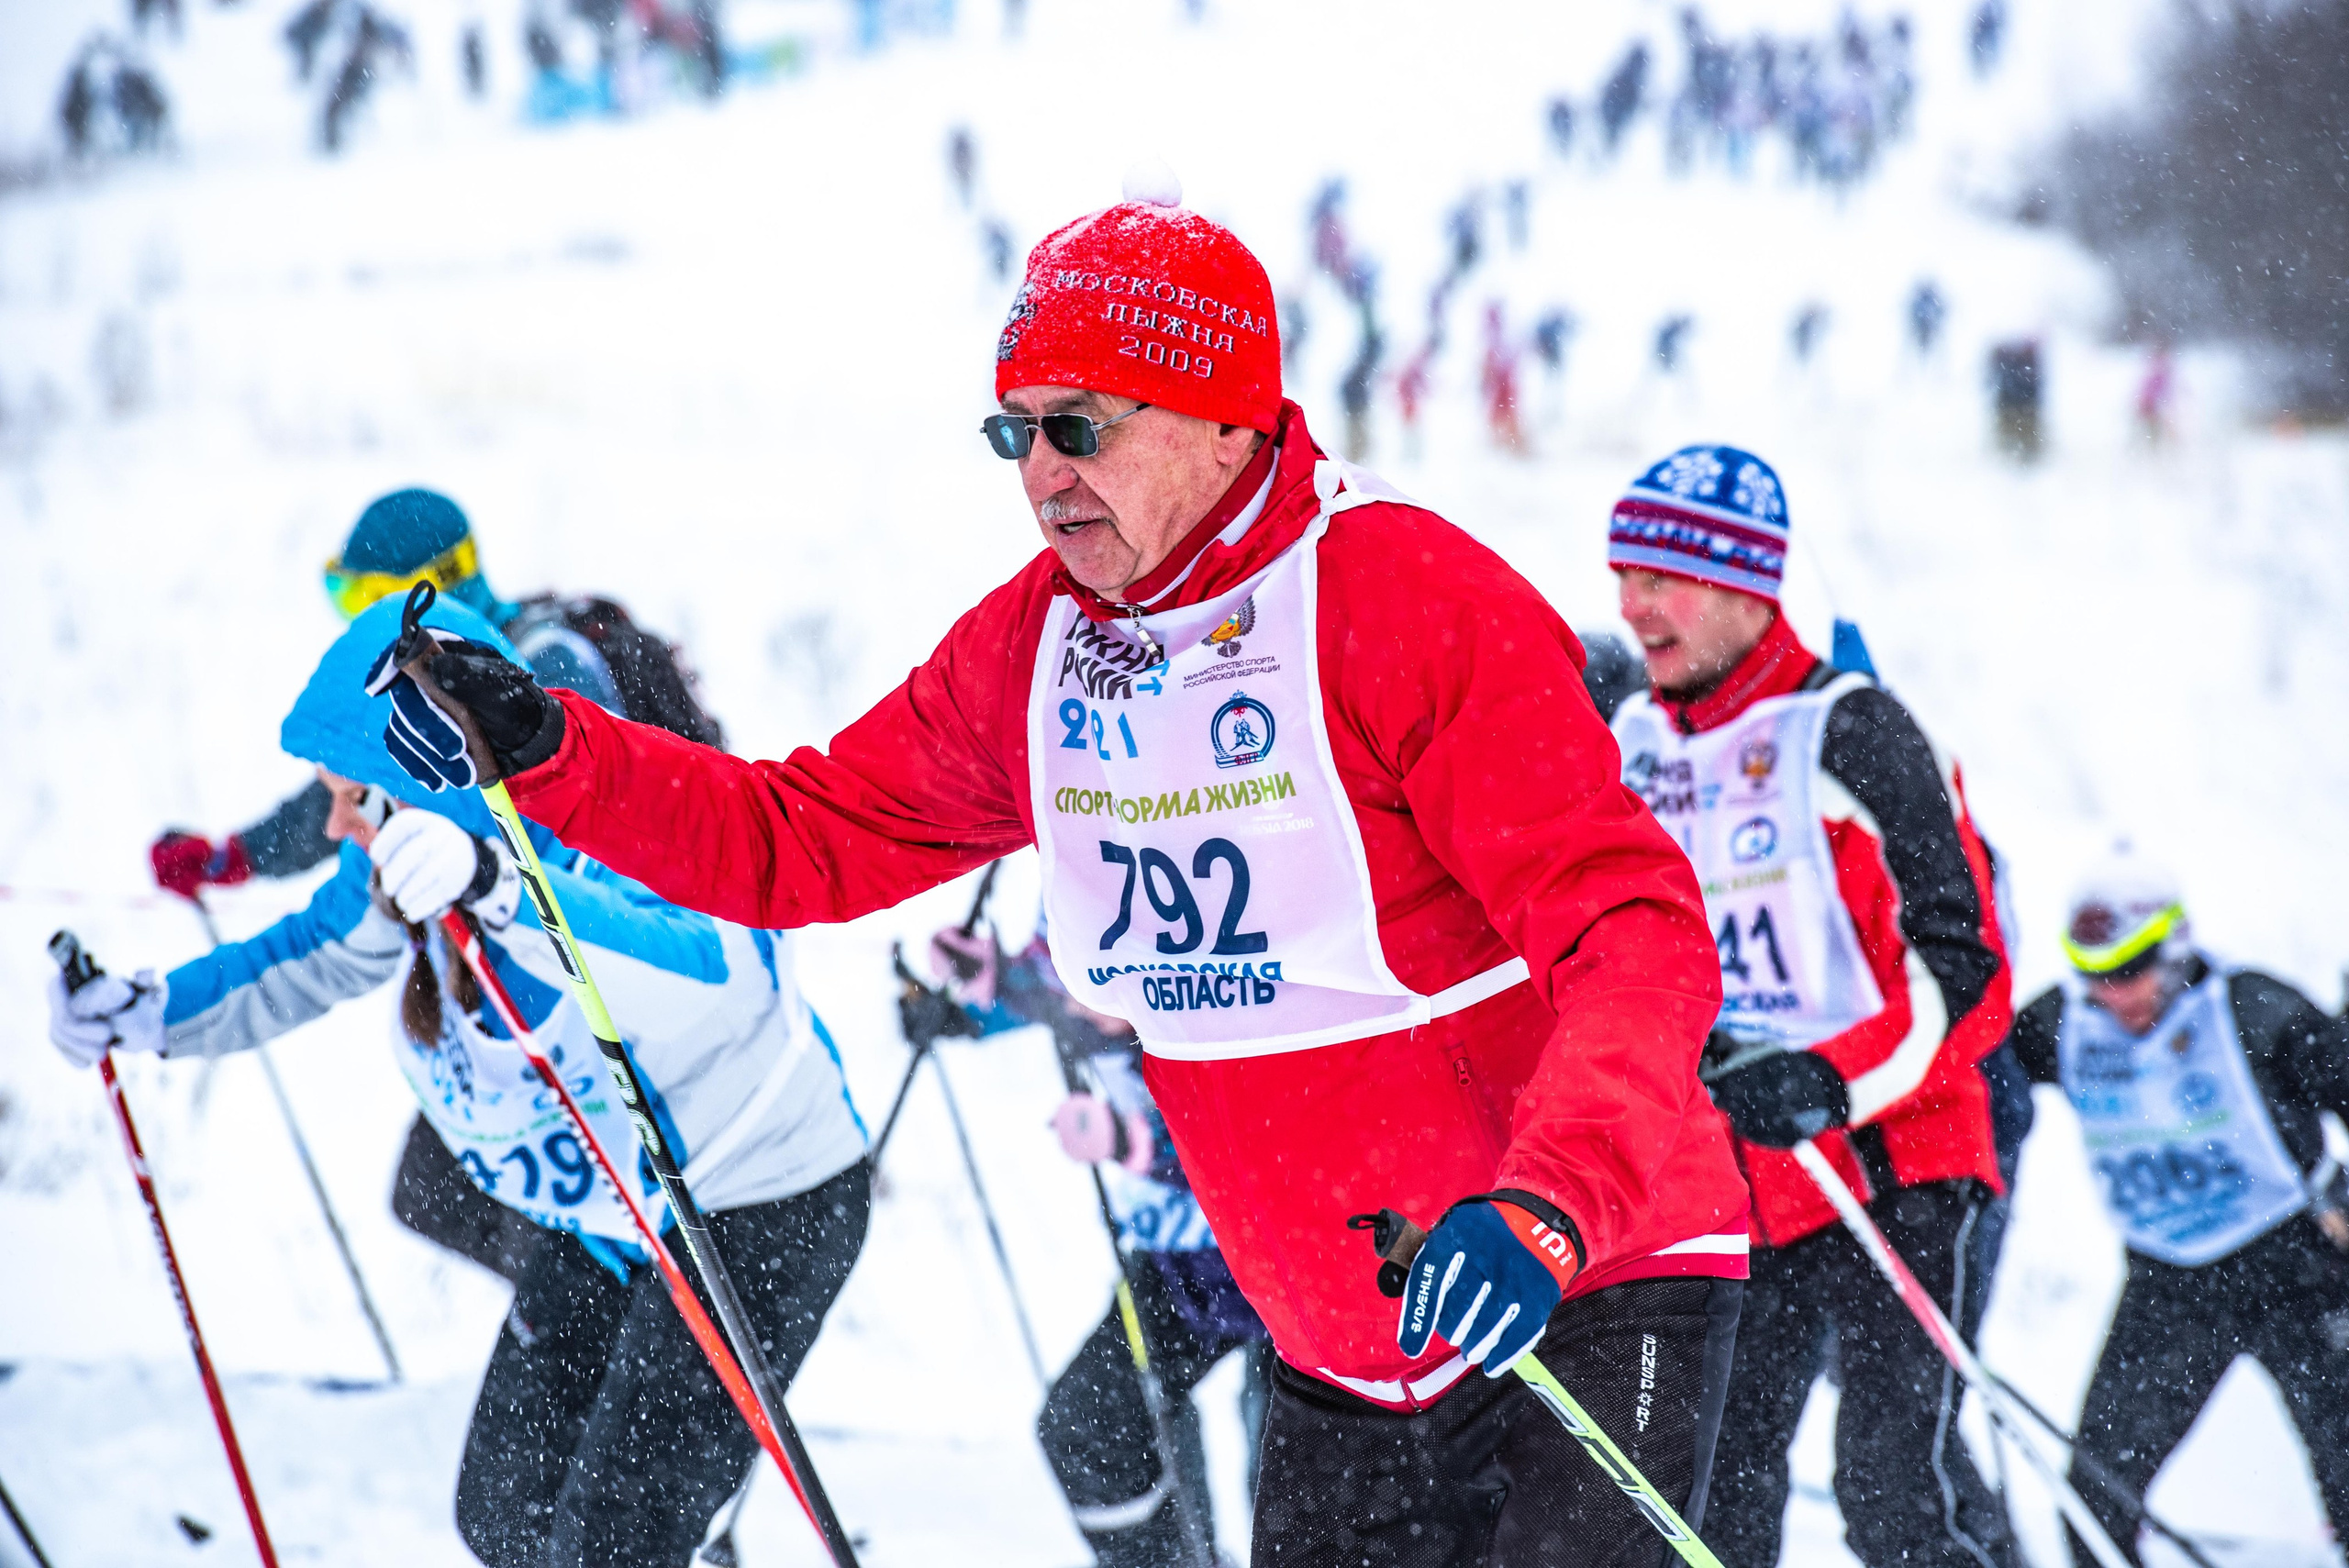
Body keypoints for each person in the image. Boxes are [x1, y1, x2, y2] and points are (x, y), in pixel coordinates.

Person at [378, 182, 1750, 1566]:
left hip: (1575, 1270)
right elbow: (799, 838)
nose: (1042, 471)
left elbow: (1632, 928)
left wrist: (1548, 1202)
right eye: (1014, 431)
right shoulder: (1038, 650)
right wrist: (547, 750)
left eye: (1080, 426)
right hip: (1345, 1332)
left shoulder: (1401, 596)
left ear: (1223, 419)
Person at [48, 595, 868, 1568]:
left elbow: (712, 968)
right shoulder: (402, 875)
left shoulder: (599, 830)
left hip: (757, 1207)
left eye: (354, 797)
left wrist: (503, 889)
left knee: (610, 1545)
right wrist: (148, 1012)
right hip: (615, 1229)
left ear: (426, 789)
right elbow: (302, 956)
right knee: (505, 1513)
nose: (336, 823)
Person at [1604, 445, 2021, 1568]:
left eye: (1660, 578)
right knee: (1714, 1501)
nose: (1632, 606)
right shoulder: (1632, 741)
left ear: (1745, 585)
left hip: (1897, 1161)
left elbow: (1967, 971)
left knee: (1893, 1492)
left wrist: (1828, 1077)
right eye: (1622, 577)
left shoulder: (1850, 729)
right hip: (1738, 1183)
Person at [147, 486, 723, 1283]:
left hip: (598, 986)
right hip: (507, 986)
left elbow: (562, 826)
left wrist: (467, 875)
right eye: (343, 595)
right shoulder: (433, 677)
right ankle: (581, 1287)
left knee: (485, 1202)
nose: (358, 618)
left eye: (366, 596)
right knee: (431, 1192)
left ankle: (596, 1285)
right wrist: (237, 855)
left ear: (433, 584)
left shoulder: (540, 666)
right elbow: (350, 787)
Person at [2008, 852, 2349, 1565]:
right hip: (2171, 1281)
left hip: (2300, 1264)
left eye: (2130, 969)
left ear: (2174, 946)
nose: (2112, 991)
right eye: (2092, 973)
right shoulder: (2064, 1023)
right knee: (2094, 1501)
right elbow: (1976, 1081)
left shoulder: (2251, 1008)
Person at [930, 917, 1272, 1567]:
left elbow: (1260, 1126)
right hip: (1184, 1260)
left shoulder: (1209, 953)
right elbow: (1052, 988)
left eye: (1108, 981)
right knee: (1087, 1427)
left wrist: (1137, 1143)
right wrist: (990, 987)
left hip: (1288, 1251)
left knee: (1293, 1460)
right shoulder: (1077, 910)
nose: (1080, 1001)